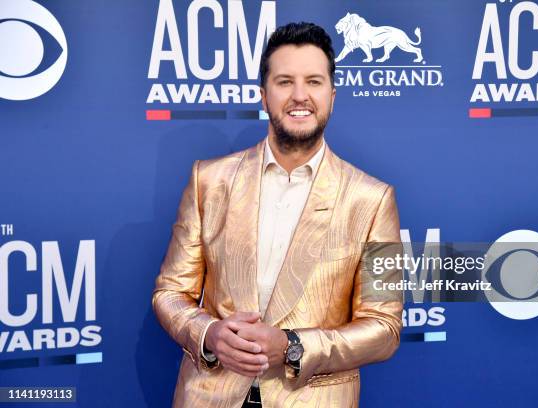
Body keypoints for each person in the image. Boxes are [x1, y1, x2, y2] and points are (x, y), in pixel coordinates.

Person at [152, 22, 402, 407]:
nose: (299, 96)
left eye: (313, 82)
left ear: (332, 96)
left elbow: (385, 328)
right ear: (263, 96)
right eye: (285, 81)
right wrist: (209, 334)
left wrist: (293, 345)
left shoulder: (372, 199)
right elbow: (170, 293)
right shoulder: (209, 180)